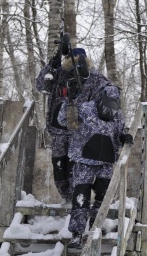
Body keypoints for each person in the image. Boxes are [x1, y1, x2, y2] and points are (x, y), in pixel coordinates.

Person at [36, 47, 118, 205]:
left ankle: (76, 202)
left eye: (81, 59)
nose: (76, 63)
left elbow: (109, 93)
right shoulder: (58, 76)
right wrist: (52, 63)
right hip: (59, 131)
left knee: (77, 167)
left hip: (82, 132)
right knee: (59, 167)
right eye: (72, 59)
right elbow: (41, 85)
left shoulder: (94, 78)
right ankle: (68, 198)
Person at [57, 85, 133, 251]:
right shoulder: (85, 109)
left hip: (105, 162)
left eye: (112, 109)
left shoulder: (118, 116)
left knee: (103, 196)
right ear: (101, 100)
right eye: (106, 107)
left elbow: (118, 134)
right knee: (81, 197)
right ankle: (77, 234)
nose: (109, 111)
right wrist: (68, 103)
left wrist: (124, 137)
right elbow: (65, 121)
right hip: (83, 160)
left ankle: (95, 227)